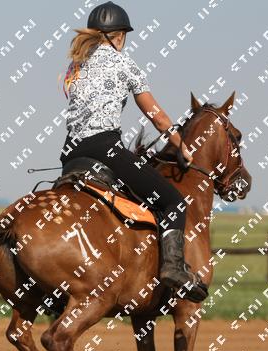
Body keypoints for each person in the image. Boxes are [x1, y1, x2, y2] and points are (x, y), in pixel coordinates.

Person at [58, 1, 207, 303]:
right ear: (119, 35)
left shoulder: (75, 66)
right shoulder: (124, 63)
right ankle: (173, 268)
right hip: (105, 149)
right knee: (173, 202)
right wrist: (181, 145)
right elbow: (158, 117)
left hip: (70, 153)